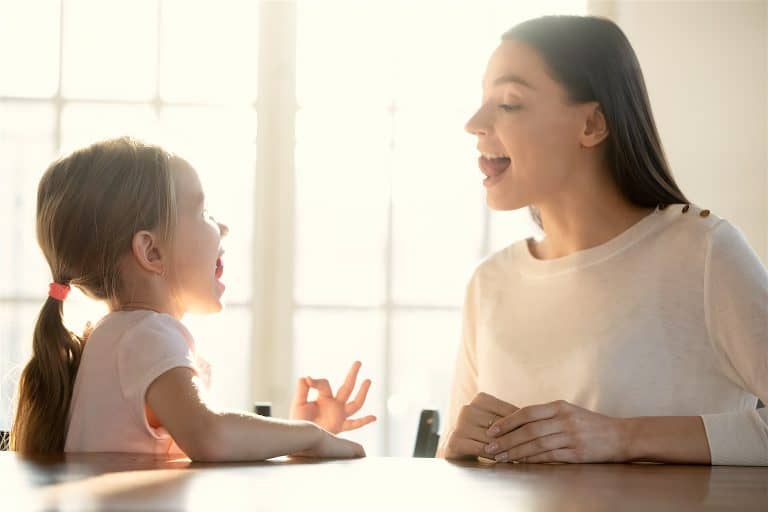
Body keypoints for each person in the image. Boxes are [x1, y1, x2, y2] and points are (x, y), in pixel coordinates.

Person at [439, 15, 767, 465]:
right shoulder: (490, 282)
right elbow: (453, 473)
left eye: (510, 103)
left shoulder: (702, 251)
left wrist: (623, 438)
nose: (474, 123)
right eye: (483, 101)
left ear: (592, 125)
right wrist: (458, 451)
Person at [12, 137, 376, 460]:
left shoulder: (118, 337)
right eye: (203, 213)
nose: (224, 228)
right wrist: (310, 438)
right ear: (151, 252)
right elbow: (210, 436)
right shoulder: (145, 335)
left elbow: (199, 446)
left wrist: (290, 436)